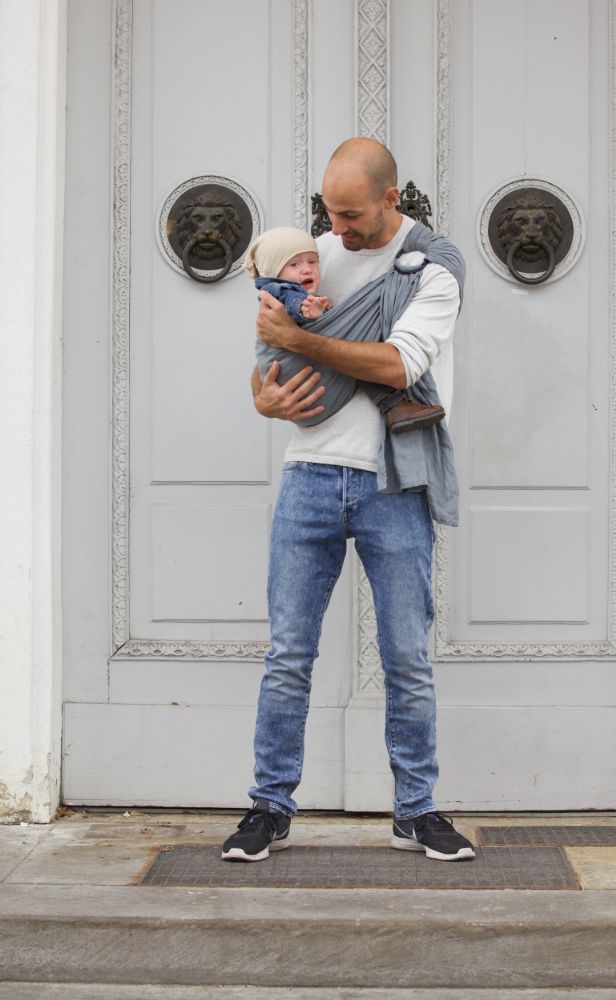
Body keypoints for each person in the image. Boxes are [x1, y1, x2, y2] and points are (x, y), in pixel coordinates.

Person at [221, 137, 475, 864]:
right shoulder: (315, 253)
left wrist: (300, 334)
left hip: (391, 480)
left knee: (406, 657)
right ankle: (269, 807)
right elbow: (266, 361)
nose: (337, 231)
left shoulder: (434, 270)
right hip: (309, 475)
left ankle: (416, 810)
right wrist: (266, 402)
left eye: (352, 215)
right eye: (330, 213)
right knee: (289, 655)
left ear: (391, 199)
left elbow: (397, 363)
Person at [243, 226, 446, 434]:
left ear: (390, 197)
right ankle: (393, 405)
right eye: (294, 264)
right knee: (347, 352)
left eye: (312, 262)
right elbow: (290, 311)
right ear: (274, 270)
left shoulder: (433, 263)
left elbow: (399, 367)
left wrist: (306, 325)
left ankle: (394, 406)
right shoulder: (282, 287)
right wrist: (262, 401)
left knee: (350, 357)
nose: (306, 269)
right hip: (310, 441)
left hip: (365, 450)